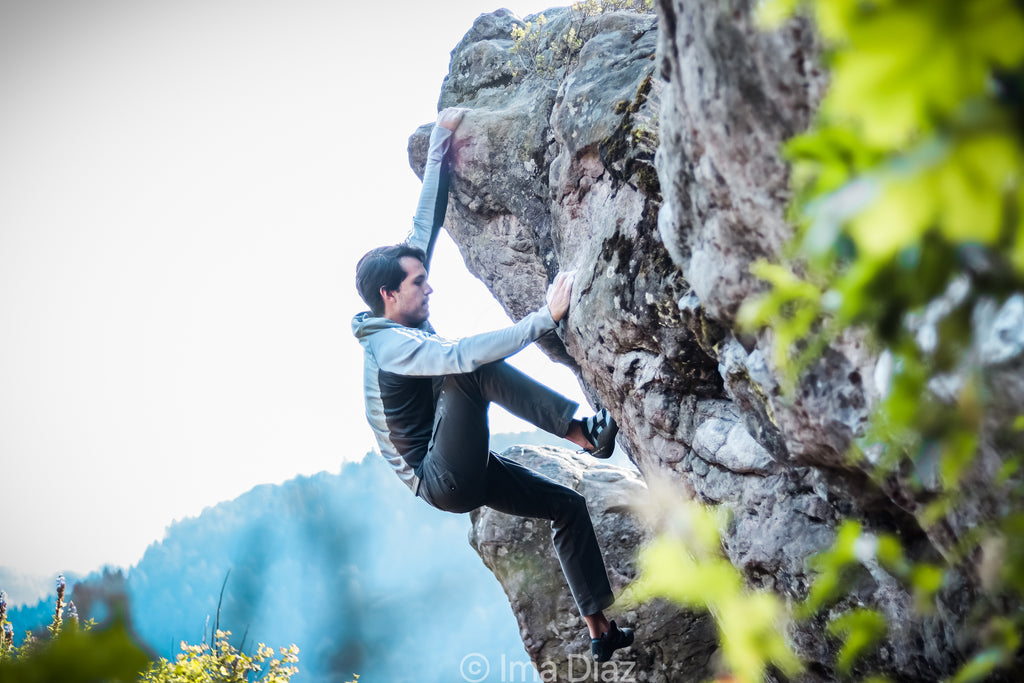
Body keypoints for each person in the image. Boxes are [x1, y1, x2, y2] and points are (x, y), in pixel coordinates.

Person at [352, 107, 635, 662]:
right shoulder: (389, 346)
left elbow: (422, 227)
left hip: (462, 463)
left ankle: (601, 633)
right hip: (443, 478)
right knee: (468, 369)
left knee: (568, 508)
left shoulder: (399, 303)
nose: (429, 287)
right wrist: (543, 319)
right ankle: (581, 433)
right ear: (390, 295)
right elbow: (459, 355)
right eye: (419, 283)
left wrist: (440, 143)